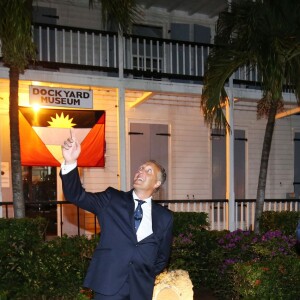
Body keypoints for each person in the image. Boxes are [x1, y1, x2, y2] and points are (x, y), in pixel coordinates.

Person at [60, 130, 173, 300]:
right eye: (140, 169)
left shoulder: (165, 217)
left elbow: (162, 257)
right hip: (109, 285)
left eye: (148, 171)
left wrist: (145, 273)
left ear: (157, 183)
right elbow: (77, 196)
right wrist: (70, 161)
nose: (140, 172)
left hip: (140, 289)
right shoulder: (112, 199)